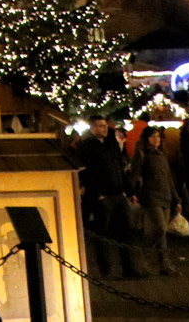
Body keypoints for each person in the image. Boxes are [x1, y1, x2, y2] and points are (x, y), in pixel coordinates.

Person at [74, 116, 137, 277]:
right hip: (103, 195)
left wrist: (128, 191)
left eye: (105, 126)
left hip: (118, 192)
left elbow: (119, 167)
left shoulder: (110, 144)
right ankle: (106, 268)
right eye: (101, 126)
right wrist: (97, 193)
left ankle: (129, 267)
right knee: (103, 232)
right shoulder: (86, 146)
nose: (105, 129)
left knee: (127, 230)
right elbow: (85, 172)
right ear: (93, 128)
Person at [131, 124, 181, 276]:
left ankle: (164, 264)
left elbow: (168, 178)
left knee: (162, 235)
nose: (156, 139)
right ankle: (143, 255)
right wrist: (133, 192)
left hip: (165, 195)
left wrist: (176, 198)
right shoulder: (142, 154)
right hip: (151, 196)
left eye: (158, 136)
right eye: (153, 136)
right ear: (146, 138)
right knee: (160, 228)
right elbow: (135, 174)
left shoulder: (161, 155)